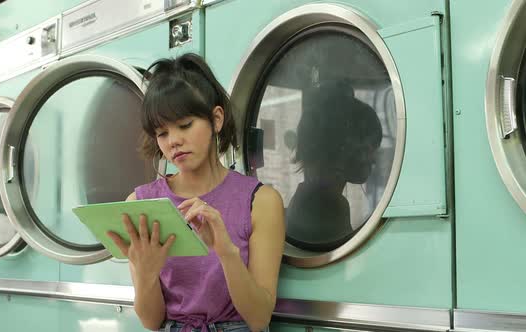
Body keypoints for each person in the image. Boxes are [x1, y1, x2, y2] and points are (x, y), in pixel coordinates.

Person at [107, 53, 285, 332]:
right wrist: (146, 274)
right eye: (162, 133)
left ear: (216, 120)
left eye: (185, 125)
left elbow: (259, 318)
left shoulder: (260, 202)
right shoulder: (141, 203)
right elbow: (152, 322)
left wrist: (225, 251)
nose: (174, 141)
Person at [285, 81, 382, 251]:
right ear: (342, 146)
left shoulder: (310, 197)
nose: (373, 159)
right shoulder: (328, 207)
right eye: (369, 147)